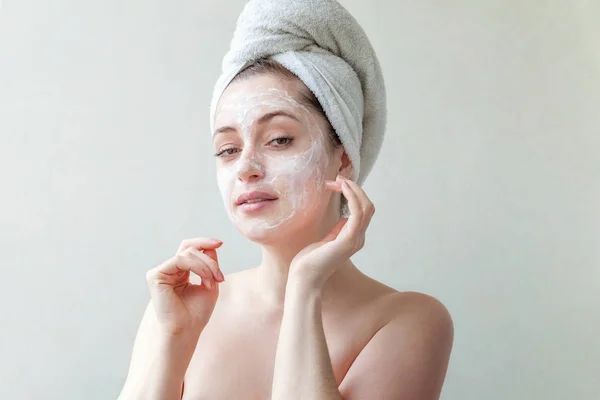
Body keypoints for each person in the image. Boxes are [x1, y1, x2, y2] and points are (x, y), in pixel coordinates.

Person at [118, 1, 453, 399]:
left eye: (278, 139)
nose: (246, 168)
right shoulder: (180, 308)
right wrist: (174, 338)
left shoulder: (408, 321)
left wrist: (305, 287)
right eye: (227, 149)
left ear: (344, 156)